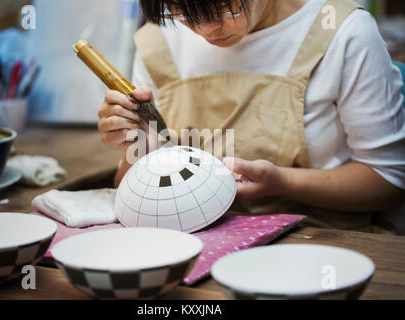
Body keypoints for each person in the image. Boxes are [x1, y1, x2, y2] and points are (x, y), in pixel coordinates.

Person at [97, 0, 405, 233]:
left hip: (318, 243)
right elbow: (129, 191)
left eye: (224, 7)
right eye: (179, 10)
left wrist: (283, 183)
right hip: (190, 245)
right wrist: (138, 151)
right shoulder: (158, 39)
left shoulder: (341, 31)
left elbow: (389, 182)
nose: (206, 28)